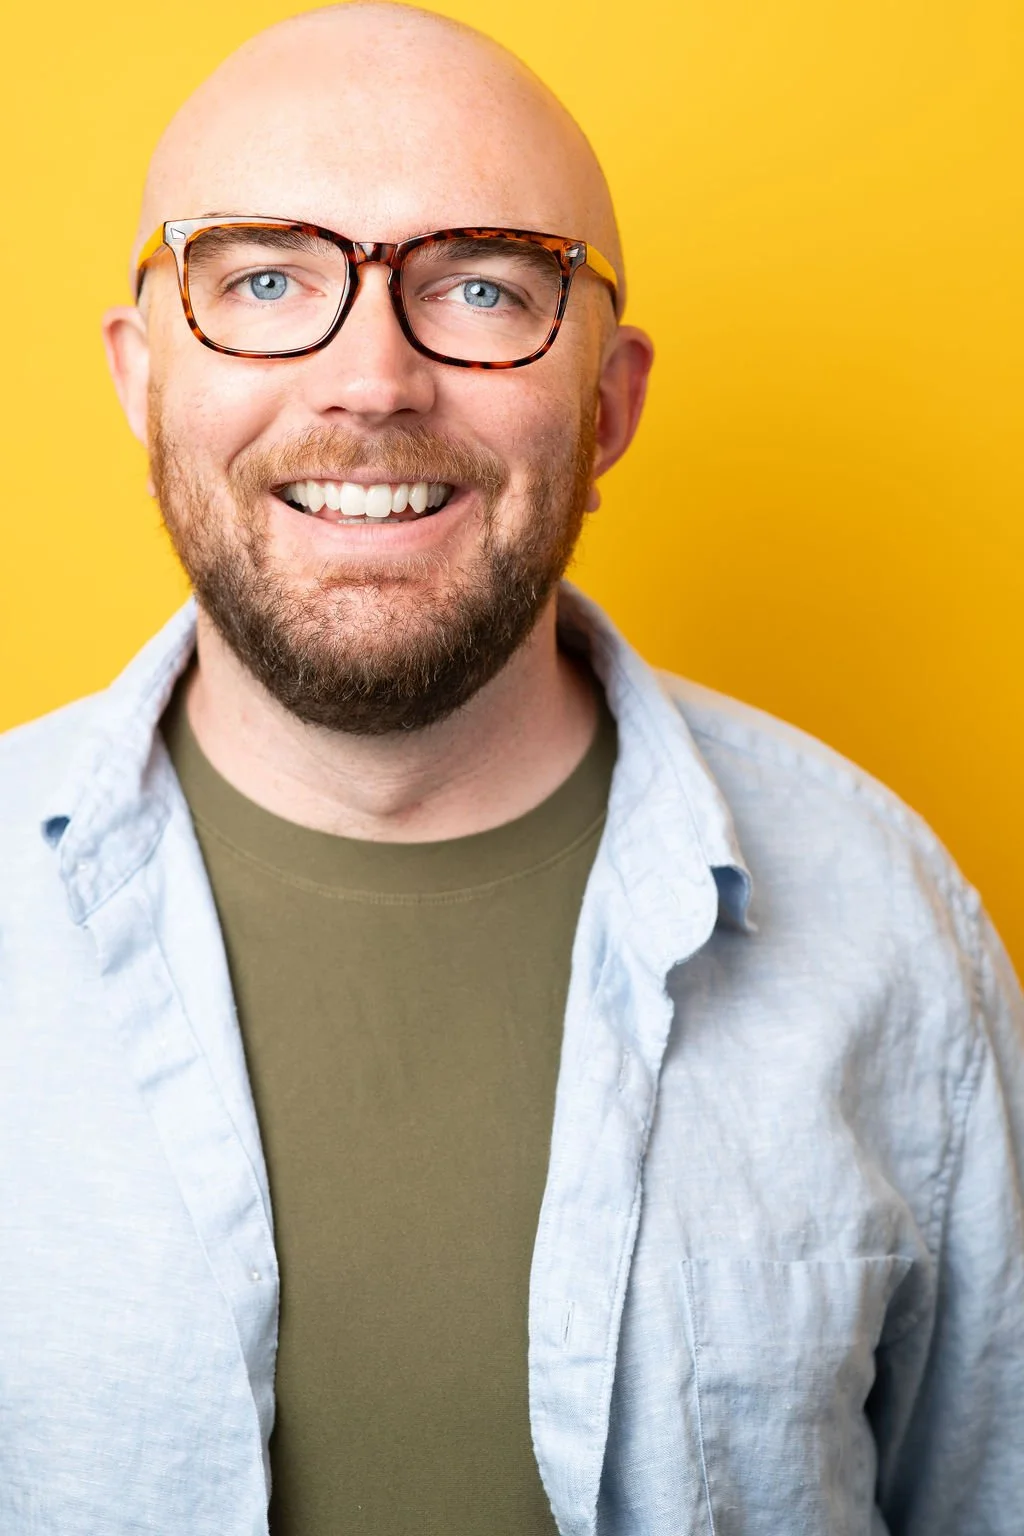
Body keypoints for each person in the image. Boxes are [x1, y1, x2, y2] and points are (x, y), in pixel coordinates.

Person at [1, 3, 1021, 1532]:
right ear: (142, 379)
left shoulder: (889, 924)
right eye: (266, 279)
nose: (372, 380)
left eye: (481, 287)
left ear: (608, 405)